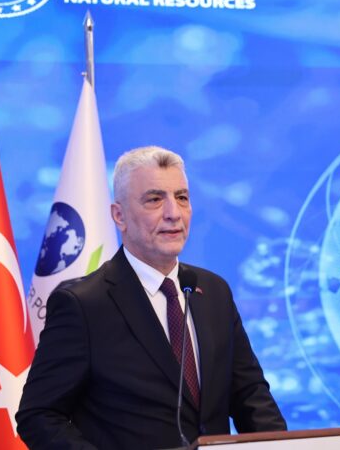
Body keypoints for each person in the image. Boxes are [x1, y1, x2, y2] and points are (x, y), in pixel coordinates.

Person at [16, 146, 286, 449]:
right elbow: (38, 415)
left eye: (181, 197)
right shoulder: (83, 304)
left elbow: (251, 397)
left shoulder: (213, 292)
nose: (173, 213)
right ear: (119, 216)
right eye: (155, 199)